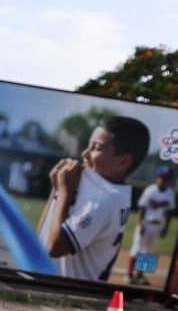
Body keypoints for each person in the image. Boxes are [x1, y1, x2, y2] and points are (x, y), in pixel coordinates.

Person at [37, 116, 149, 282]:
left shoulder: (105, 199)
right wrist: (57, 190)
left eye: (96, 148)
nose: (84, 154)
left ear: (123, 161)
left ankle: (137, 275)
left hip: (65, 291)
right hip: (146, 227)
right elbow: (42, 240)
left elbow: (55, 247)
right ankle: (137, 275)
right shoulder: (110, 194)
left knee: (145, 251)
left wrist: (64, 192)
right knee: (141, 249)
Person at [127, 164, 177, 284]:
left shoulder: (170, 193)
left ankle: (140, 276)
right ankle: (129, 275)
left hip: (158, 225)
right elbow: (142, 208)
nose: (163, 179)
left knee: (149, 252)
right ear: (157, 177)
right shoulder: (150, 190)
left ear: (169, 179)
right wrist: (141, 224)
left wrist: (166, 227)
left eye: (166, 177)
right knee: (137, 249)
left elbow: (169, 212)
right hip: (146, 223)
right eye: (162, 177)